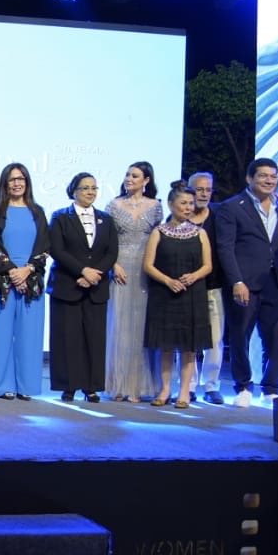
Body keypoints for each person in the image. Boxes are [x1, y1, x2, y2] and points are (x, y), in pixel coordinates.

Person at [216, 157, 278, 406]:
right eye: (263, 175)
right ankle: (243, 386)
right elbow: (225, 248)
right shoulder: (232, 207)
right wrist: (236, 281)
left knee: (274, 339)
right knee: (240, 336)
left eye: (273, 176)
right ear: (250, 178)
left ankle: (271, 388)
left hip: (274, 282)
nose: (269, 180)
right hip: (244, 283)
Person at [48, 173, 118, 402]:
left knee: (94, 338)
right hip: (67, 285)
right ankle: (69, 386)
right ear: (74, 191)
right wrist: (82, 271)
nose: (90, 192)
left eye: (94, 188)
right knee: (68, 338)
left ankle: (91, 386)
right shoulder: (60, 217)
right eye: (85, 188)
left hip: (96, 286)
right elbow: (57, 250)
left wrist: (93, 274)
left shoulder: (106, 219)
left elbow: (111, 252)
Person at [0, 162, 49, 401]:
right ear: (5, 183)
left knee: (29, 336)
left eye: (21, 178)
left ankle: (26, 385)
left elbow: (44, 246)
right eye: (12, 179)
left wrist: (27, 270)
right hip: (2, 280)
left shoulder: (38, 212)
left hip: (31, 280)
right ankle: (2, 386)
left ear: (27, 182)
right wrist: (13, 272)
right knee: (0, 336)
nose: (17, 183)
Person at [143, 184, 213, 408]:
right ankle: (164, 389)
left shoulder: (200, 233)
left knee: (188, 347)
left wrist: (194, 276)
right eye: (183, 203)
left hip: (192, 295)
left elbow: (208, 265)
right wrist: (168, 281)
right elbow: (148, 265)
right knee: (165, 346)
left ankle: (184, 392)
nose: (188, 207)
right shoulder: (158, 232)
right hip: (164, 294)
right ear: (171, 205)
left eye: (191, 203)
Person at [105, 161, 162, 402]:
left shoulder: (156, 207)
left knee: (141, 326)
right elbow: (105, 240)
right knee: (120, 325)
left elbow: (159, 239)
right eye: (127, 174)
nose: (129, 178)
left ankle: (138, 386)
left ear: (146, 180)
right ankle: (118, 385)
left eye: (135, 175)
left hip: (145, 269)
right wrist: (113, 264)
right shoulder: (114, 205)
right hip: (120, 268)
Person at [188, 172, 226, 403]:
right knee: (188, 338)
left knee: (215, 338)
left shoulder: (219, 216)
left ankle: (211, 386)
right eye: (199, 189)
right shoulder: (179, 217)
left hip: (214, 285)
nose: (204, 194)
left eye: (208, 190)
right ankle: (189, 385)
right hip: (186, 288)